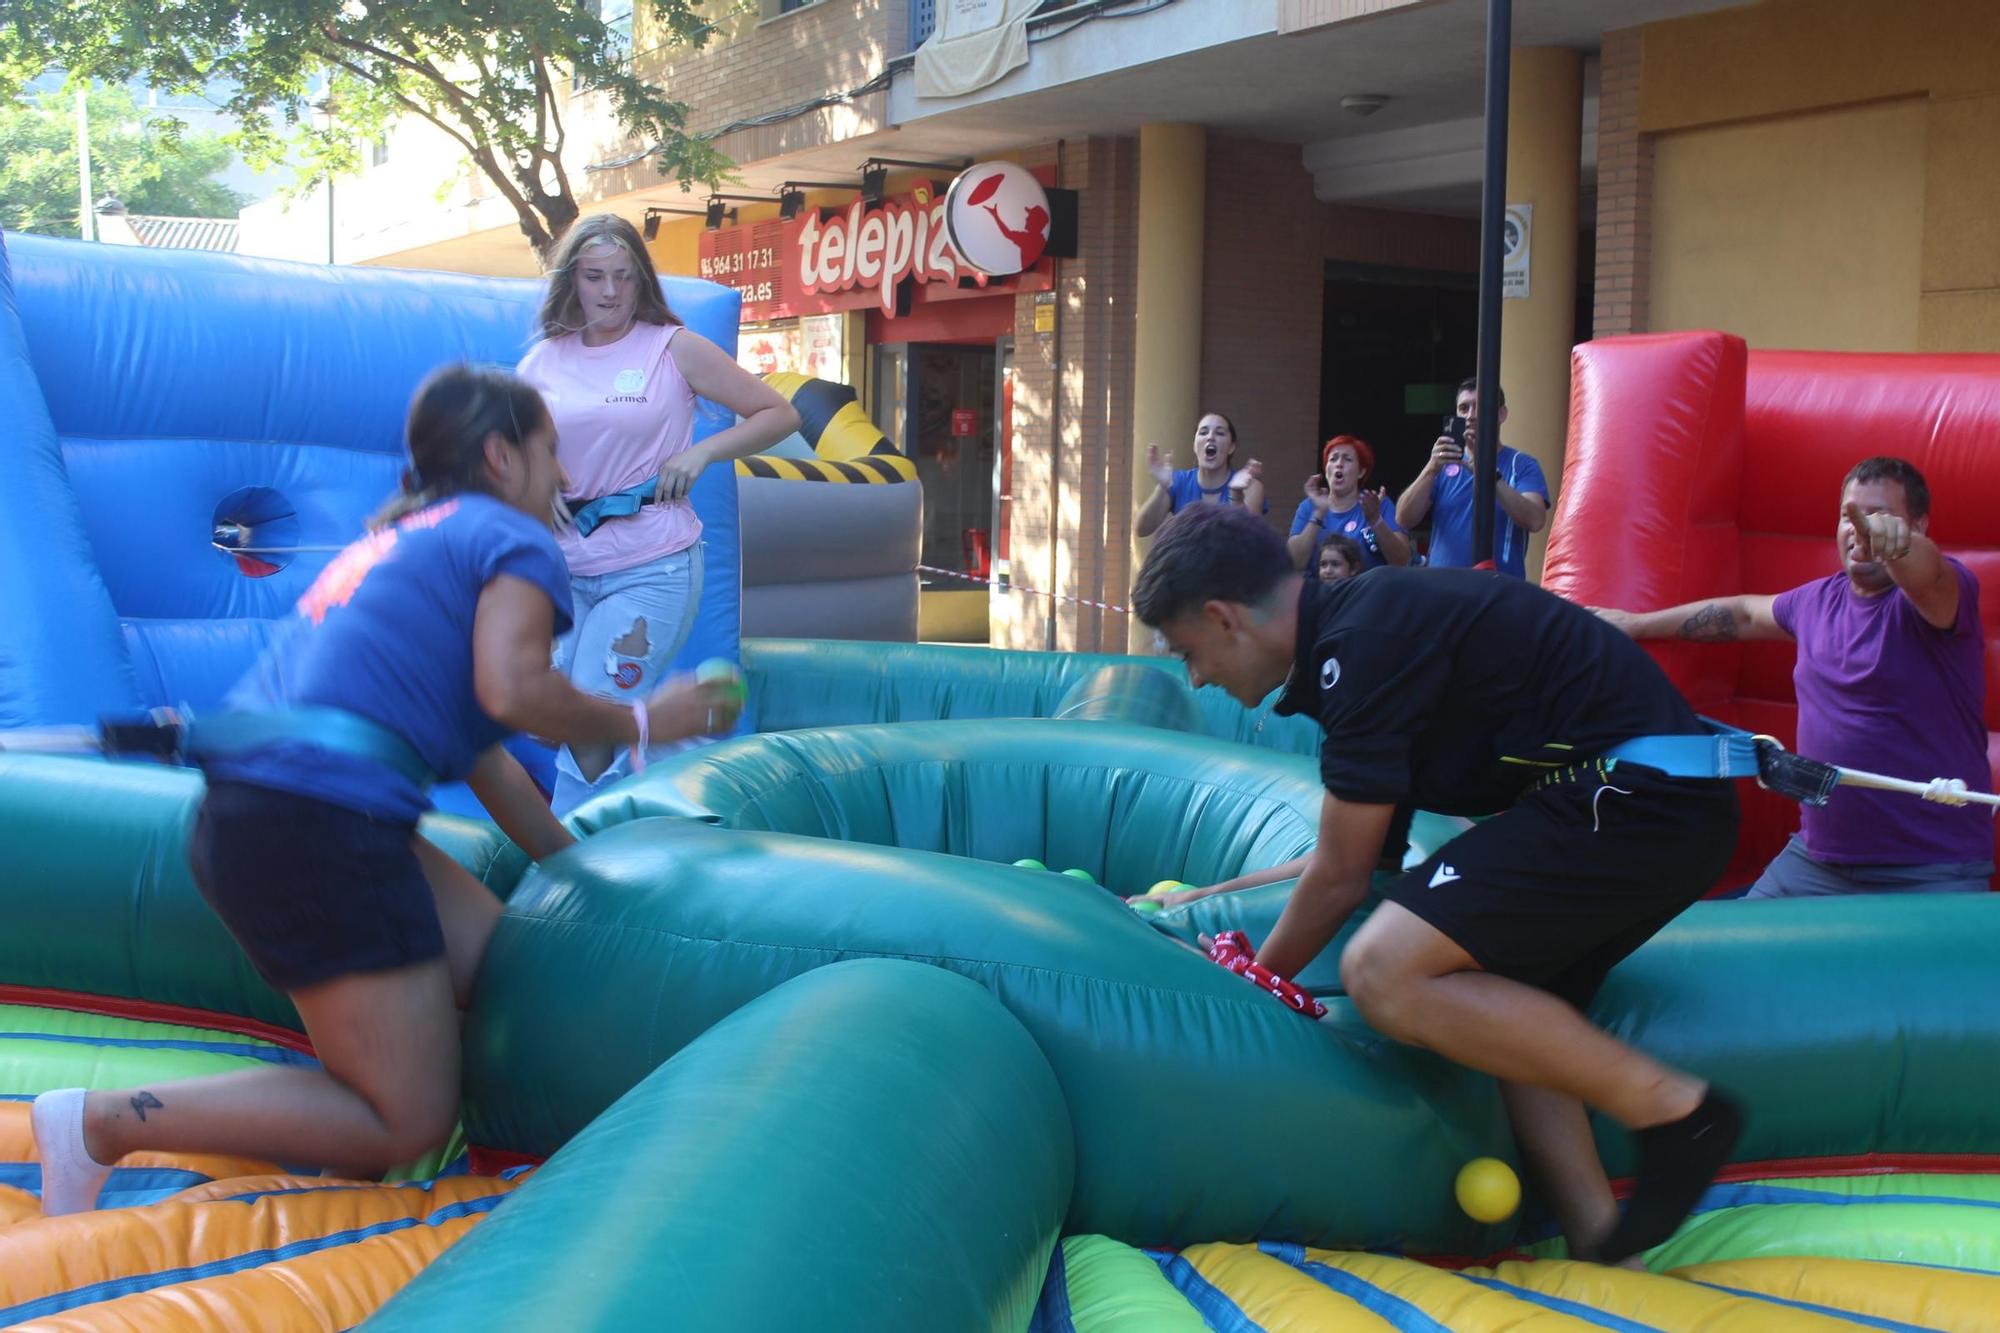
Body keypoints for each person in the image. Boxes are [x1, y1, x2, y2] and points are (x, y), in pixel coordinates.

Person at [29, 366, 746, 1217]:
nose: (566, 476)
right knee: (405, 1118)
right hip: (320, 831)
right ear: (500, 455)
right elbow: (515, 690)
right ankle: (101, 1123)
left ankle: (383, 1145)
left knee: (512, 967)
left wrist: (579, 869)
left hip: (270, 821)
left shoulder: (410, 541)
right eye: (553, 450)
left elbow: (490, 760)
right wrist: (643, 719)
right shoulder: (512, 540)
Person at [1134, 503, 1743, 1264]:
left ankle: (1681, 1113)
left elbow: (1342, 877)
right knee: (1507, 993)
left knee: (1381, 969)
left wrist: (1248, 987)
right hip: (1645, 802)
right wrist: (1205, 897)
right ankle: (1602, 1243)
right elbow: (1351, 854)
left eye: (1188, 652)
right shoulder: (1354, 639)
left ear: (1225, 619)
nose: (1196, 677)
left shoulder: (1361, 642)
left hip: (1638, 795)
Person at [1594, 456, 1992, 898]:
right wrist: (1634, 625)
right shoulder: (1815, 602)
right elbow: (1742, 613)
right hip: (1816, 863)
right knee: (1726, 953)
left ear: (1918, 525)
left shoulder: (1942, 595)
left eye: (1879, 517)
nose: (1859, 529)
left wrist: (1900, 548)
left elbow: (1929, 576)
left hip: (1930, 869)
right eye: (1849, 516)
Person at [518, 214, 797, 812]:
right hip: (563, 571)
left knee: (591, 716)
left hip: (652, 566)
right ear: (572, 281)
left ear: (642, 280)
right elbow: (513, 447)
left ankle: (561, 861)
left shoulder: (672, 348)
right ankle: (677, 769)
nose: (611, 291)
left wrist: (702, 452)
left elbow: (779, 413)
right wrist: (536, 489)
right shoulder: (542, 362)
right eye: (595, 277)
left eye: (623, 276)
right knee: (560, 713)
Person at [1397, 379, 1549, 578]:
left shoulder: (1521, 464)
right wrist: (1431, 469)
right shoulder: (1443, 464)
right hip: (1444, 590)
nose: (1471, 415)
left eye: (1480, 407)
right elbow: (1404, 519)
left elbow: (1535, 520)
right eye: (1464, 408)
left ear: (1501, 414)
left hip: (1499, 590)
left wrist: (1487, 472)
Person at [1287, 436, 1409, 573]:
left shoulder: (1379, 505)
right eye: (1333, 459)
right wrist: (1319, 512)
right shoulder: (1309, 507)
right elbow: (1294, 563)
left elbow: (1402, 562)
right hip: (1320, 591)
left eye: (1347, 459)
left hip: (1367, 591)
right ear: (1326, 470)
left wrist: (1376, 520)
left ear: (1361, 472)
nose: (1339, 464)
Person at [1135, 412, 1265, 538]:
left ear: (1231, 447)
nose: (1210, 437)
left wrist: (1236, 495)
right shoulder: (1176, 482)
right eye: (1203, 432)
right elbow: (1142, 530)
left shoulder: (1250, 486)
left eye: (1219, 433)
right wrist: (1161, 488)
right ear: (1195, 445)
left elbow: (1251, 539)